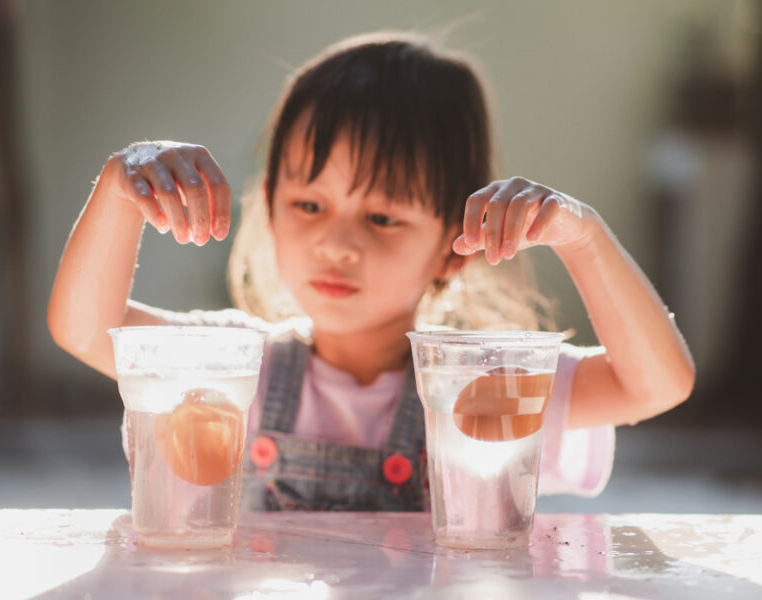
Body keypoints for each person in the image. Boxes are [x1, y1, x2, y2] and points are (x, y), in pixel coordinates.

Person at [47, 31, 694, 511]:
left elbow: (655, 385)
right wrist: (117, 189)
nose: (338, 243)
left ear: (454, 246)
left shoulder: (484, 393)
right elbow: (86, 330)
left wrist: (580, 234)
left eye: (383, 217)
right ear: (269, 211)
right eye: (308, 204)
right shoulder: (237, 368)